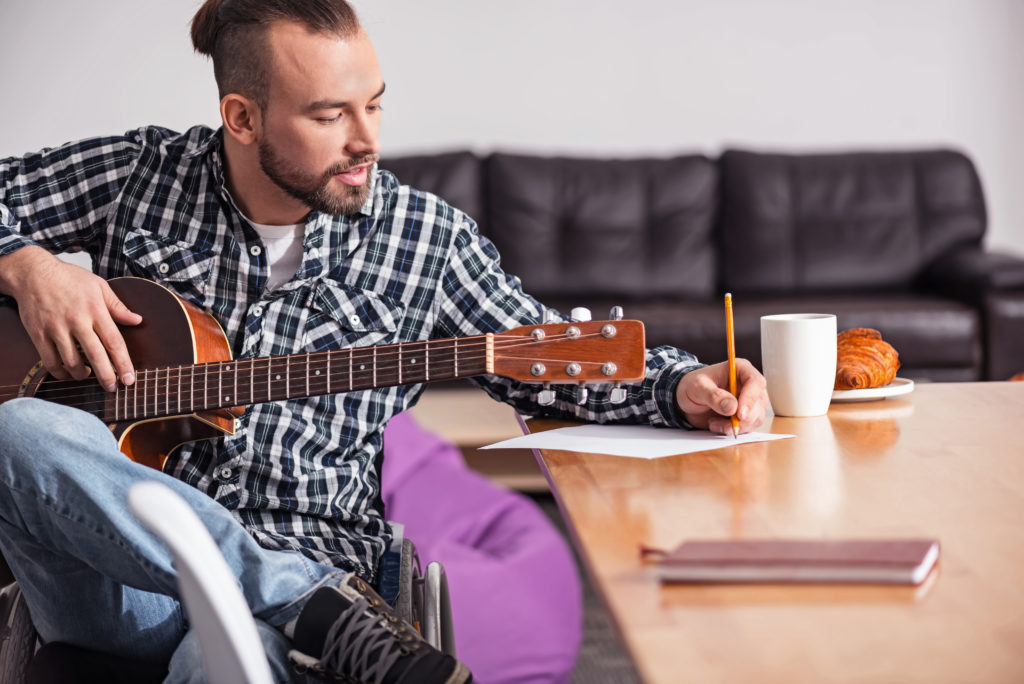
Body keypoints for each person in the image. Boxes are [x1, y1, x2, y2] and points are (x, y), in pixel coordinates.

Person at [0, 0, 768, 681]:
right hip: (118, 581)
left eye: (375, 105)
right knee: (16, 427)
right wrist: (26, 265)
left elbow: (546, 362)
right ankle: (303, 601)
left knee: (218, 660)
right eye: (330, 115)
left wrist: (676, 385)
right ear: (242, 117)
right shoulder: (141, 178)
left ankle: (302, 605)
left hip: (318, 554)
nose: (366, 140)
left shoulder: (425, 238)